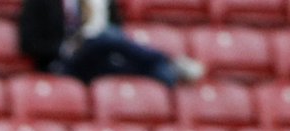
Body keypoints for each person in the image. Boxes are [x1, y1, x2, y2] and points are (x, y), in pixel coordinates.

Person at [19, 0, 204, 86]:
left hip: (99, 60)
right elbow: (29, 43)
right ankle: (167, 59)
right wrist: (67, 47)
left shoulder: (102, 3)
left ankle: (164, 71)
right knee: (107, 37)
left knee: (149, 71)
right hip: (63, 63)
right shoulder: (42, 2)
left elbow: (117, 33)